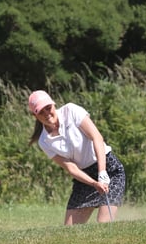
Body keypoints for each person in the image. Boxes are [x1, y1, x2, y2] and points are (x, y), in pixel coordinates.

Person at [28, 90, 125, 224]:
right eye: (41, 112)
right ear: (35, 115)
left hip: (108, 168)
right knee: (70, 230)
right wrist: (94, 183)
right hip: (84, 178)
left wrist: (102, 172)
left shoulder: (71, 111)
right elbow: (71, 168)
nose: (46, 113)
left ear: (53, 105)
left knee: (104, 223)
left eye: (48, 108)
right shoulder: (44, 141)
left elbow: (97, 137)